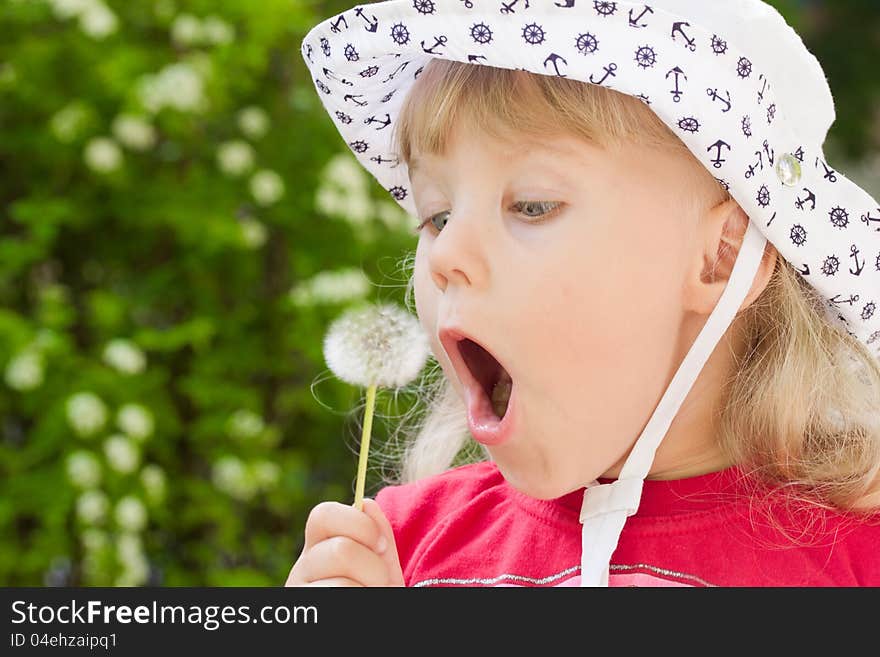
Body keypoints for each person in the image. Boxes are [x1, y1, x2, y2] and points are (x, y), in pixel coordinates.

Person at [286, 0, 880, 586]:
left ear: (720, 257)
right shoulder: (394, 550)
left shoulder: (855, 559)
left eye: (532, 205)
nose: (445, 255)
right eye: (437, 216)